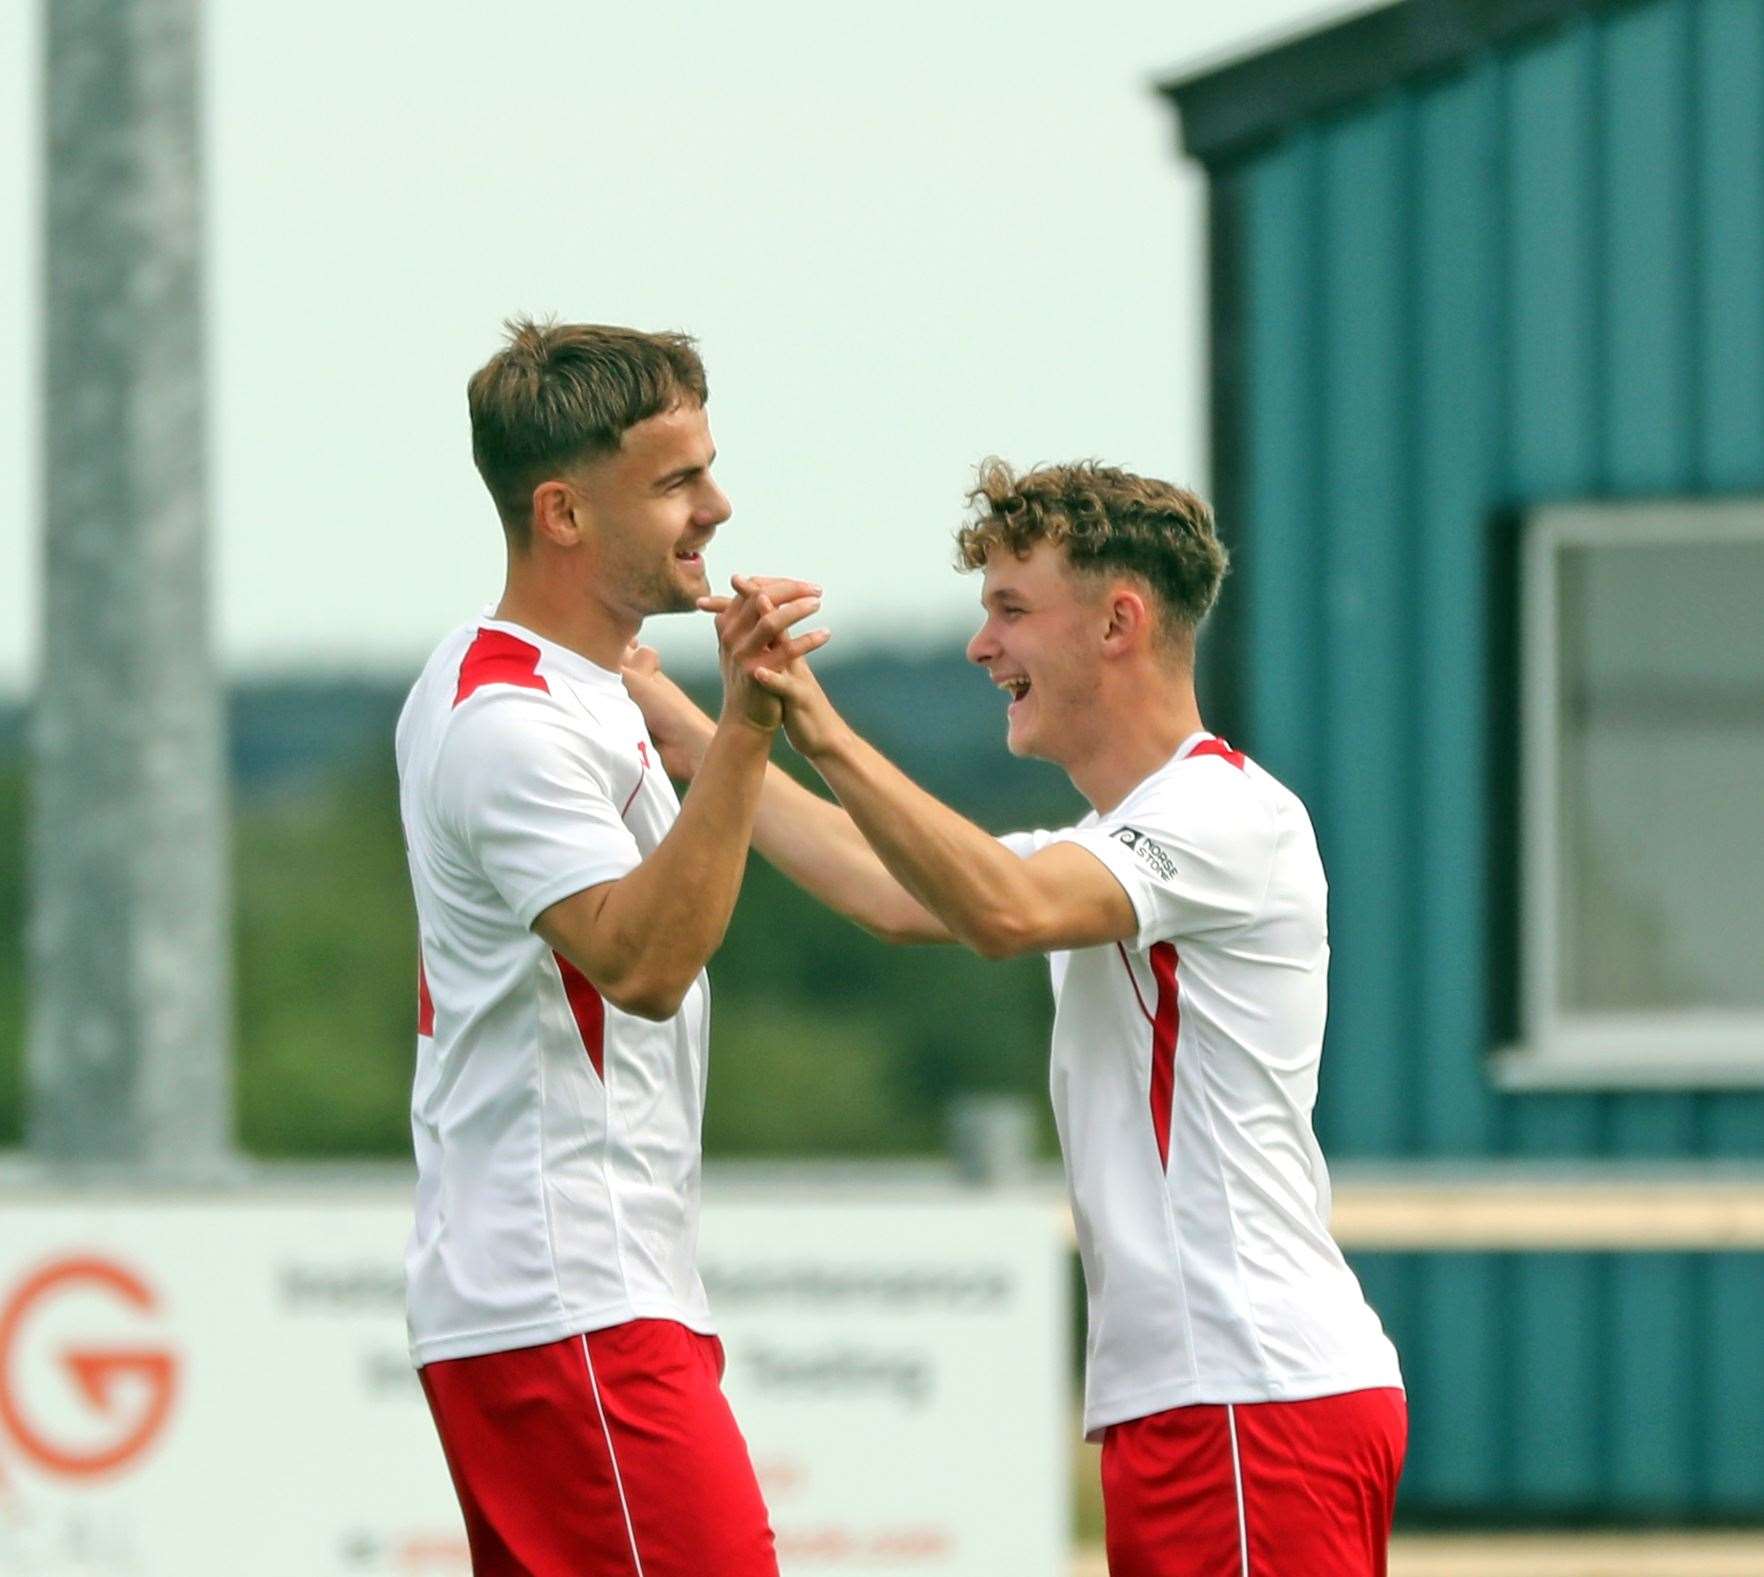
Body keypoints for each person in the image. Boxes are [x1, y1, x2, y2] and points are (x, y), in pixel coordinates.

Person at [629, 459, 1406, 1576]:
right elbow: (897, 891)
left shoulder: (1222, 815)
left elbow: (1001, 910)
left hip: (1249, 1393)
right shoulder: (1134, 837)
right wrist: (695, 722)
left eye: (1010, 608)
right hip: (1218, 1398)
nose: (980, 646)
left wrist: (823, 729)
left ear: (1119, 622)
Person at [394, 318, 824, 1576]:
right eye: (677, 480)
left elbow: (890, 896)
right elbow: (639, 966)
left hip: (585, 1295)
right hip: (568, 1294)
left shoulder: (586, 685)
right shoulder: (509, 724)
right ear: (563, 514)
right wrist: (743, 728)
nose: (719, 505)